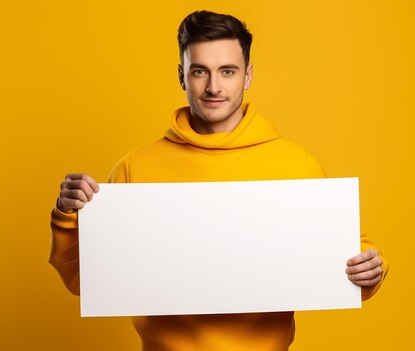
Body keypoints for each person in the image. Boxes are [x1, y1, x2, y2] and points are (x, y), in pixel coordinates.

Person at [49, 10, 388, 351]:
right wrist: (68, 215)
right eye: (200, 71)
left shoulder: (295, 164)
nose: (213, 87)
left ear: (248, 76)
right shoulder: (135, 168)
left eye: (228, 71)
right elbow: (85, 281)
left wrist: (369, 270)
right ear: (182, 76)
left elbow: (348, 258)